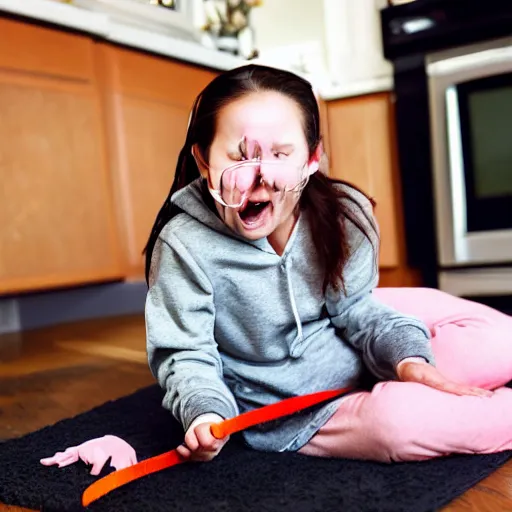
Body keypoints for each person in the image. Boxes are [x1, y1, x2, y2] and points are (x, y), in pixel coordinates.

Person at [144, 64, 512, 465]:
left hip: (358, 350)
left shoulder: (344, 213)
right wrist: (205, 412)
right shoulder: (183, 244)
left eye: (282, 154)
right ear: (203, 161)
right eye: (239, 157)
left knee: (501, 344)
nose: (260, 177)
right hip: (304, 411)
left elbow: (357, 309)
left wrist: (409, 361)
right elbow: (185, 352)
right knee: (400, 425)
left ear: (311, 158)